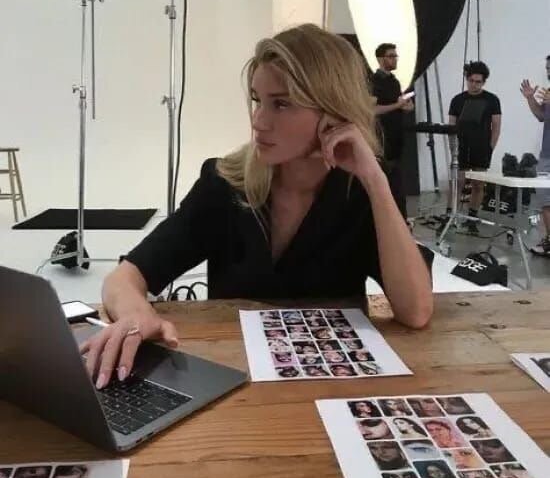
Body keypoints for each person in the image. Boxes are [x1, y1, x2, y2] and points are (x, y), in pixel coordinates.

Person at [81, 24, 433, 388]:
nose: (258, 120)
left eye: (281, 104)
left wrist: (374, 179)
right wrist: (136, 315)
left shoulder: (365, 190)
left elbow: (416, 311)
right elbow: (125, 277)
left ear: (334, 112)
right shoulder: (225, 184)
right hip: (235, 386)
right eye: (257, 100)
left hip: (334, 386)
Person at [447, 61, 502, 234]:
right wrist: (453, 148)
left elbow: (496, 126)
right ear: (467, 80)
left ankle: (472, 218)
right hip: (461, 147)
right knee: (457, 182)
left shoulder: (492, 100)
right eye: (471, 81)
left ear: (484, 82)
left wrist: (490, 148)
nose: (474, 84)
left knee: (478, 185)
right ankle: (449, 216)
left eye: (478, 82)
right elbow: (451, 126)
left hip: (482, 147)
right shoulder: (457, 100)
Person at [370, 42, 415, 217]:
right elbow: (371, 110)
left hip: (397, 137)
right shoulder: (374, 81)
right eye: (391, 56)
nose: (395, 59)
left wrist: (405, 106)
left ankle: (400, 218)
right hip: (382, 138)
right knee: (385, 181)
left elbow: (396, 104)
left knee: (396, 183)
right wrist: (397, 105)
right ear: (381, 59)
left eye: (396, 56)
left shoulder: (394, 81)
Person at [521, 57, 550, 255]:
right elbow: (541, 116)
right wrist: (530, 98)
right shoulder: (548, 93)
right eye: (547, 68)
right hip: (546, 155)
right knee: (545, 199)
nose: (548, 72)